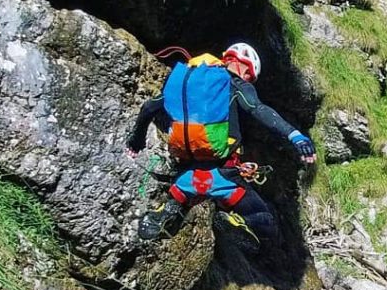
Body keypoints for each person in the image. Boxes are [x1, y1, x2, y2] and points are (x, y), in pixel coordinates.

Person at [126, 42, 317, 244]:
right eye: (250, 76)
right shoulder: (235, 84)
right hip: (222, 177)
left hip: (187, 177)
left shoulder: (190, 85)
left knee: (176, 215)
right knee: (265, 222)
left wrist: (136, 142)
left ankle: (166, 210)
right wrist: (295, 136)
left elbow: (149, 108)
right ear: (246, 68)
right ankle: (232, 222)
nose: (248, 80)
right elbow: (257, 109)